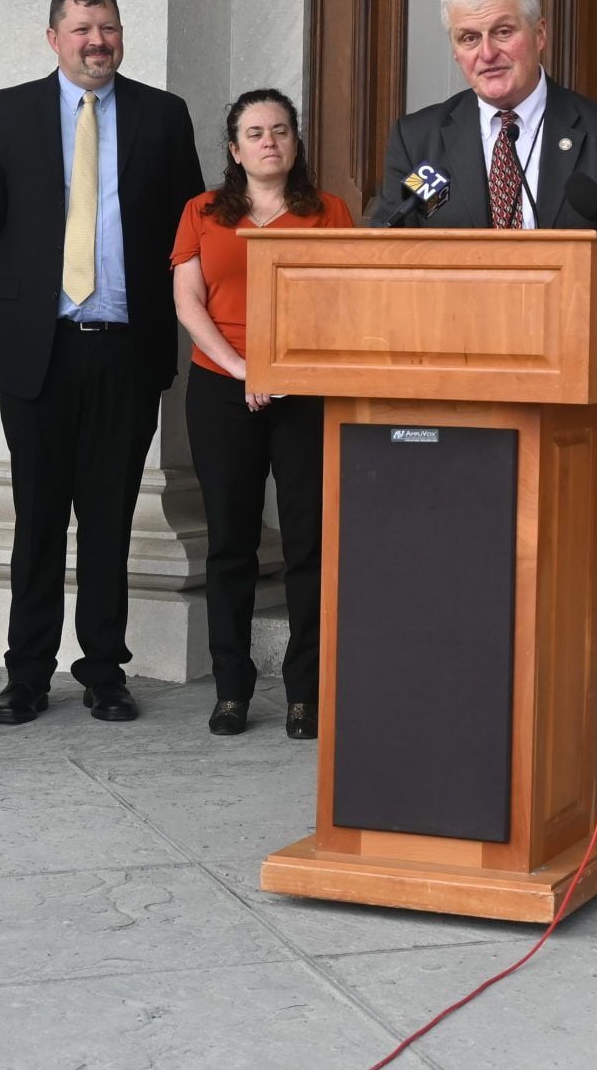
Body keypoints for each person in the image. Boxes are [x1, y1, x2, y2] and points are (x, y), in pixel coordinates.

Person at [380, 0, 597, 816]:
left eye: (502, 31)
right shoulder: (421, 144)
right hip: (460, 427)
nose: (487, 52)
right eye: (468, 39)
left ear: (539, 34)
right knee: (469, 611)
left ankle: (588, 792)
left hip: (586, 426)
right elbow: (389, 243)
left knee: (587, 617)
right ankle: (477, 783)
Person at [0, 0, 205, 726]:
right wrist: (41, 282)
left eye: (108, 28)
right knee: (37, 520)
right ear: (54, 37)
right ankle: (25, 674)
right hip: (41, 352)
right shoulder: (7, 113)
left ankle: (105, 670)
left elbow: (187, 226)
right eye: (82, 29)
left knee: (110, 518)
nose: (97, 41)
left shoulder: (163, 115)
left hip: (128, 352)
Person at [171, 90, 352, 739]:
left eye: (280, 130)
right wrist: (247, 367)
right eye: (254, 132)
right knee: (230, 544)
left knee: (308, 542)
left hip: (304, 390)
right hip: (223, 387)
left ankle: (306, 691)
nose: (268, 140)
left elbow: (340, 303)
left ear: (295, 142)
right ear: (234, 147)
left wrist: (282, 369)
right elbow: (188, 302)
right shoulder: (202, 211)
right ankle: (231, 688)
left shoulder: (329, 212)